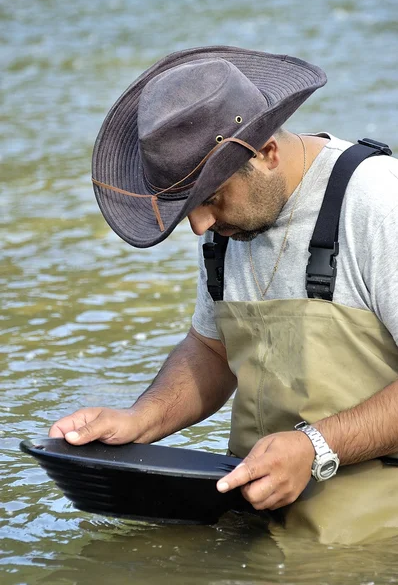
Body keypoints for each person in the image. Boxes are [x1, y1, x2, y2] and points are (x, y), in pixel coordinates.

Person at [50, 46, 398, 545]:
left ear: (266, 154)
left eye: (209, 199)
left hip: (376, 529)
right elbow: (213, 351)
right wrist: (139, 420)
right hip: (256, 510)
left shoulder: (378, 203)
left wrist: (315, 446)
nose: (198, 226)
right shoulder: (227, 226)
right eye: (185, 205)